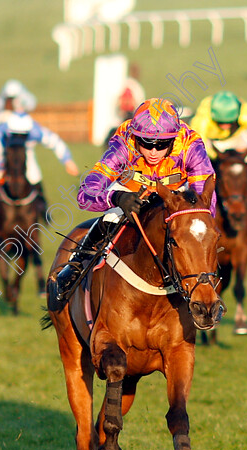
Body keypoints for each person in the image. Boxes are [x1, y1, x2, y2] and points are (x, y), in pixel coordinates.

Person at [49, 98, 217, 309]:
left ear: (173, 140)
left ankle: (207, 286)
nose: (153, 152)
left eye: (162, 144)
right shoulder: (122, 143)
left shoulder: (191, 145)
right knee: (110, 217)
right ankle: (73, 270)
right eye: (146, 143)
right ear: (136, 138)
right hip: (131, 192)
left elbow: (205, 199)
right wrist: (115, 198)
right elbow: (85, 194)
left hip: (174, 198)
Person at [0, 111, 79, 223]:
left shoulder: (34, 130)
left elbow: (54, 141)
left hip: (26, 159)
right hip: (3, 160)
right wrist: (0, 165)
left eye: (23, 135)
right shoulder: (0, 133)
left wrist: (67, 161)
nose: (19, 138)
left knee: (35, 177)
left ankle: (43, 209)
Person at [191, 90, 247, 217]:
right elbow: (198, 142)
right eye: (220, 123)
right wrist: (216, 157)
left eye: (230, 122)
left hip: (236, 140)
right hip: (211, 143)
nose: (226, 126)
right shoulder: (203, 117)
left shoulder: (246, 115)